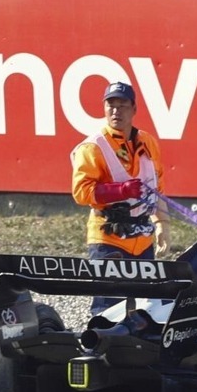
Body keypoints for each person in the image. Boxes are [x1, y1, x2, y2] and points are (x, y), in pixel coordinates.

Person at [71, 81, 169, 315]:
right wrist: (121, 190)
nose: (116, 111)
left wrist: (162, 225)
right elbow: (81, 192)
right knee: (108, 310)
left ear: (134, 109)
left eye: (122, 105)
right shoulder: (93, 147)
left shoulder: (148, 143)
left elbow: (158, 189)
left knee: (148, 308)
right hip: (108, 238)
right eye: (111, 105)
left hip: (142, 239)